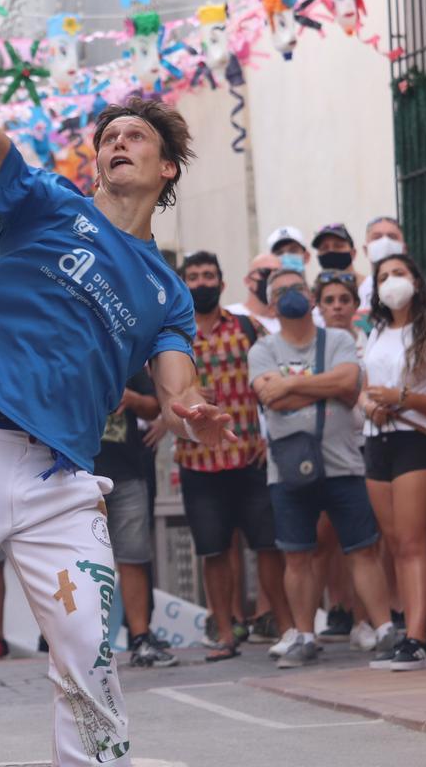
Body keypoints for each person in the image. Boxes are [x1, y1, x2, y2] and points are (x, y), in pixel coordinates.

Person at [0, 0, 234, 767]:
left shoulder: (166, 291)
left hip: (60, 484)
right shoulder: (46, 205)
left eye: (134, 138)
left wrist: (190, 407)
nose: (115, 142)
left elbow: (179, 382)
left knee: (89, 657)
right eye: (107, 135)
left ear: (168, 169)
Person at [248, 269, 397, 669]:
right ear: (271, 304)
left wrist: (291, 385)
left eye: (297, 288)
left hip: (344, 462)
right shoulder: (262, 350)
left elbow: (349, 382)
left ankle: (384, 629)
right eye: (280, 292)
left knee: (363, 548)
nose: (290, 295)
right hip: (288, 470)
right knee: (298, 555)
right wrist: (325, 387)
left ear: (309, 297)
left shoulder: (339, 339)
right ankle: (304, 634)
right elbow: (268, 396)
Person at [175, 251, 290, 662]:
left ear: (222, 284)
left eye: (208, 275)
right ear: (182, 283)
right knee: (213, 550)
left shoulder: (247, 327)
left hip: (249, 455)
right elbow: (161, 389)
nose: (201, 282)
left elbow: (273, 381)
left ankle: (285, 627)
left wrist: (268, 434)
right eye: (193, 276)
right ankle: (225, 633)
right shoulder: (173, 334)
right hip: (197, 461)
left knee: (268, 546)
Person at [361, 253, 426, 670]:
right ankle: (411, 631)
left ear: (416, 281)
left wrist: (399, 399)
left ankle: (419, 637)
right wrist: (370, 405)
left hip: (418, 440)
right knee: (396, 542)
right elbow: (367, 390)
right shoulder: (377, 332)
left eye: (399, 273)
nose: (391, 281)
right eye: (383, 276)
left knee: (414, 540)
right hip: (378, 440)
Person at [310, 275, 377, 650]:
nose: (337, 306)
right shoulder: (310, 346)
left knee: (365, 540)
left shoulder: (370, 344)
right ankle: (330, 614)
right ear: (318, 306)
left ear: (355, 306)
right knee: (321, 539)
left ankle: (368, 620)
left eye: (343, 299)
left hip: (368, 445)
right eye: (329, 300)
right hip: (325, 450)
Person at [97, 366, 177, 667]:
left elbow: (154, 404)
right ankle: (87, 645)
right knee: (85, 564)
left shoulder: (125, 354)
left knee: (134, 557)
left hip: (128, 472)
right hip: (77, 475)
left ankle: (141, 639)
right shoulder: (65, 350)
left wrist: (129, 397)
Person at [359, 216, 426, 315]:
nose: (385, 242)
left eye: (392, 237)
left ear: (404, 249)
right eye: (377, 237)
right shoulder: (359, 291)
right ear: (365, 250)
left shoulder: (425, 290)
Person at [224, 253, 281, 334]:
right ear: (247, 280)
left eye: (278, 274)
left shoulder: (290, 323)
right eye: (265, 272)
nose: (271, 278)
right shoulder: (229, 315)